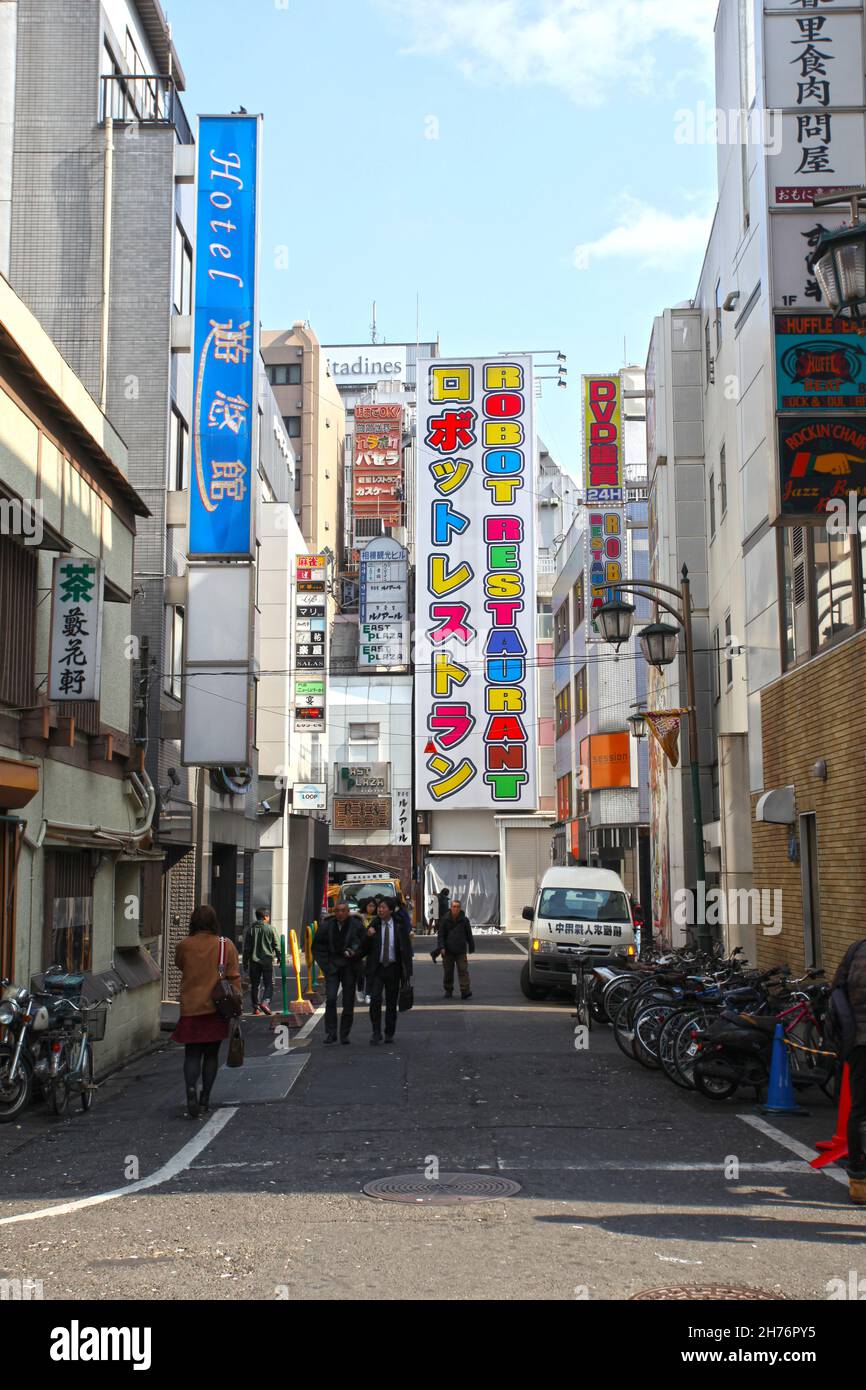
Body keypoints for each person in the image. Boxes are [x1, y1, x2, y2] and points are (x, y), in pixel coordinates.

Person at [172, 905, 241, 1118]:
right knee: (211, 1055)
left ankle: (190, 1088)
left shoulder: (184, 945)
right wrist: (238, 1003)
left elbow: (180, 965)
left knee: (192, 1053)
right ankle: (205, 1099)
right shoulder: (225, 945)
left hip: (191, 1007)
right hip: (216, 1007)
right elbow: (233, 976)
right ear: (214, 922)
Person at [834, 937, 866, 1204]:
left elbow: (837, 989)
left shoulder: (856, 949)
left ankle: (859, 1180)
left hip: (856, 1041)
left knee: (860, 1110)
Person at [313, 900, 367, 1044]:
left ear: (348, 911)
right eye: (337, 910)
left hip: (349, 967)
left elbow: (364, 944)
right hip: (332, 967)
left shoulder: (356, 926)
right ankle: (331, 1033)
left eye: (343, 910)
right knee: (330, 999)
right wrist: (326, 965)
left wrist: (355, 954)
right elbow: (317, 947)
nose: (340, 913)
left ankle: (344, 1034)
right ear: (334, 911)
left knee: (348, 1002)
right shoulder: (327, 926)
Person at [363, 898, 413, 1045]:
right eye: (379, 907)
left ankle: (389, 1032)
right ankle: (376, 1032)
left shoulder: (399, 926)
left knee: (391, 1003)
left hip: (393, 968)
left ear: (390, 910)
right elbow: (364, 946)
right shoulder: (375, 925)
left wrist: (407, 971)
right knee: (375, 1000)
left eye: (383, 907)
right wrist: (368, 935)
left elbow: (406, 948)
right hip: (377, 969)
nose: (380, 910)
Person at [242, 907, 281, 1016]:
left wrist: (245, 962)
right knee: (269, 983)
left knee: (255, 984)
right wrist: (280, 957)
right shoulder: (270, 929)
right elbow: (277, 945)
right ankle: (265, 1002)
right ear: (265, 917)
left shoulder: (250, 929)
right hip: (267, 960)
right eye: (268, 916)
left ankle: (256, 1008)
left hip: (253, 961)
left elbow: (247, 948)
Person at [438, 899, 474, 1000]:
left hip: (461, 950)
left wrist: (471, 946)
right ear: (451, 908)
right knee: (448, 972)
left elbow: (469, 934)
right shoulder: (445, 919)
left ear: (460, 908)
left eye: (458, 907)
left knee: (463, 970)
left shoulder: (464, 920)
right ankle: (448, 990)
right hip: (448, 950)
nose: (456, 909)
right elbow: (440, 935)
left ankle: (465, 991)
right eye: (454, 907)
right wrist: (441, 947)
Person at [356, 898, 379, 1004]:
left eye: (373, 906)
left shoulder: (378, 918)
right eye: (369, 905)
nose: (371, 908)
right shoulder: (360, 917)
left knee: (371, 973)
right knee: (360, 972)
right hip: (361, 948)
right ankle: (360, 990)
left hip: (373, 949)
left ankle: (368, 993)